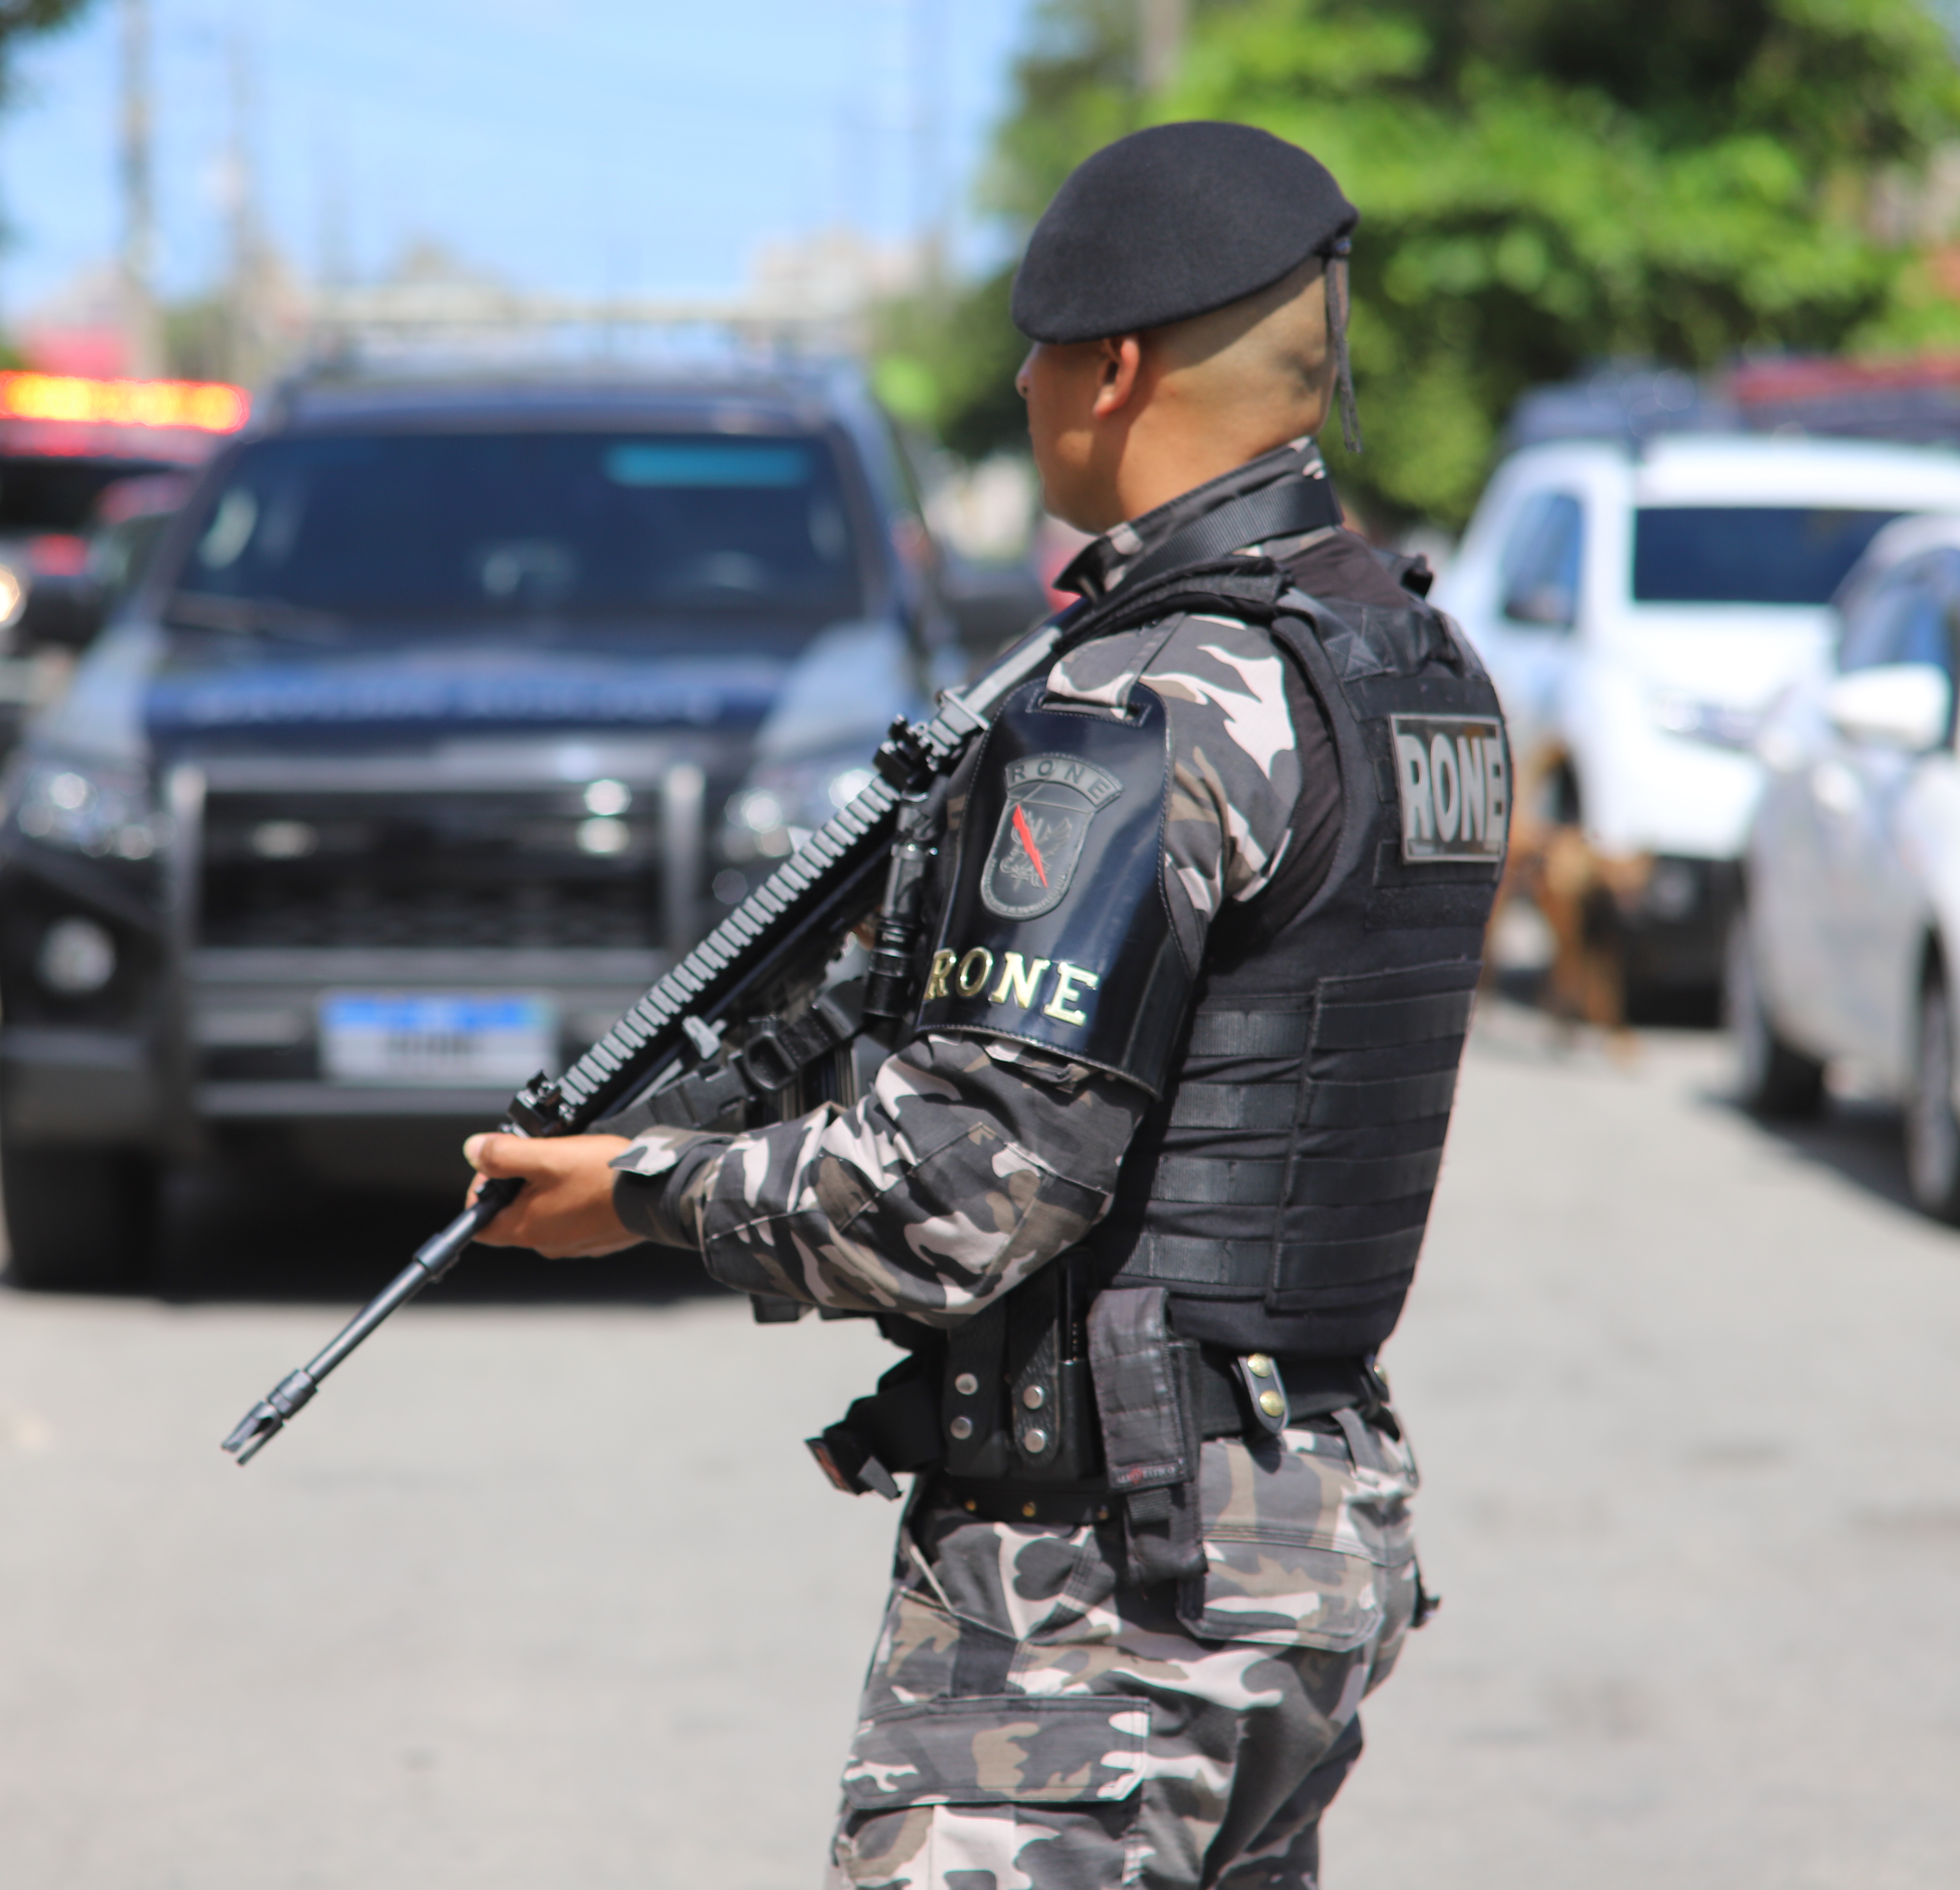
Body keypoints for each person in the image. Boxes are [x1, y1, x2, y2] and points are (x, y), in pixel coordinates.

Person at [464, 120, 1507, 1890]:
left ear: (1114, 369)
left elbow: (963, 1186)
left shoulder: (1144, 705)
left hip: (1101, 1596)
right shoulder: (1413, 669)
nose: (1022, 389)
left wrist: (637, 1192)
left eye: (1039, 351)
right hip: (1298, 1534)